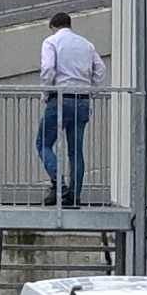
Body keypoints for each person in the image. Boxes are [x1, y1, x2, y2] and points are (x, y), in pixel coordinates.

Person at [37, 13, 102, 206]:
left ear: (53, 26)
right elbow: (100, 70)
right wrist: (91, 89)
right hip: (82, 101)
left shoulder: (51, 42)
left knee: (43, 143)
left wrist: (45, 93)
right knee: (76, 151)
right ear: (69, 25)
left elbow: (48, 69)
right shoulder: (86, 44)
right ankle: (74, 196)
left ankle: (59, 185)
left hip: (60, 98)